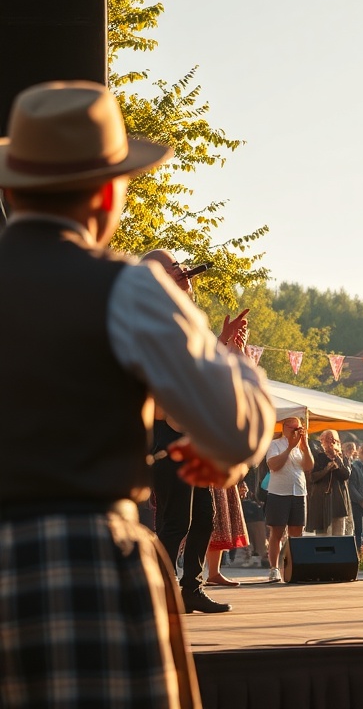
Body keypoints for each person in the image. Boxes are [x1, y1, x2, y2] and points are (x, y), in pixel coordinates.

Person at [0, 80, 274, 708]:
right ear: (107, 192)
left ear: (13, 188)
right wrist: (223, 441)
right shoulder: (127, 290)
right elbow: (238, 425)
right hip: (83, 565)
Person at [145, 248, 250, 614]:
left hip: (190, 436)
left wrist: (223, 342)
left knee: (203, 517)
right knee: (175, 523)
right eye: (173, 268)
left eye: (180, 265)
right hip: (168, 437)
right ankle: (160, 592)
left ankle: (191, 588)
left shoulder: (186, 320)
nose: (183, 270)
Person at [265, 417, 315, 582]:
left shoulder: (302, 447)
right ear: (284, 427)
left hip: (299, 493)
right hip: (279, 493)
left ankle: (295, 567)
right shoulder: (275, 444)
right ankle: (274, 568)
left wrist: (305, 445)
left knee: (296, 534)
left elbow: (308, 467)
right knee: (277, 533)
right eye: (293, 428)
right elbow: (274, 465)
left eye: (299, 428)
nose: (296, 431)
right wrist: (290, 447)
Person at [307, 430, 350, 536]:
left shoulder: (342, 457)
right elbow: (312, 477)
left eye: (333, 440)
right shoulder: (316, 456)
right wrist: (326, 469)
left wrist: (337, 459)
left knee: (338, 534)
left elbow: (346, 474)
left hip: (338, 499)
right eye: (327, 440)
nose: (330, 443)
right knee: (322, 536)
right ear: (321, 441)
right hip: (321, 499)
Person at [348, 441, 363, 546]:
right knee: (359, 530)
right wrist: (361, 499)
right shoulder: (354, 466)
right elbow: (351, 486)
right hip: (356, 503)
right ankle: (358, 552)